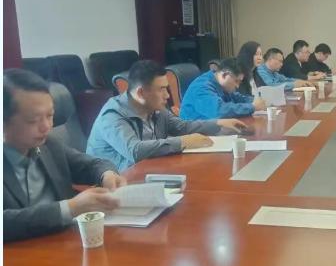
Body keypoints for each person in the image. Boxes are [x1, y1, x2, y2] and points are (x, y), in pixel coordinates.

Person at [3, 69, 128, 242]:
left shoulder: (49, 145)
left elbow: (91, 164)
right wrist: (69, 208)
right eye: (33, 120)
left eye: (50, 115)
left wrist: (106, 174)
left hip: (64, 243)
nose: (46, 126)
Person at [86, 60, 246, 171]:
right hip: (115, 182)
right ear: (141, 93)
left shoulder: (155, 107)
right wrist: (183, 142)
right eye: (161, 89)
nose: (167, 95)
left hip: (149, 171)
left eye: (166, 88)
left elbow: (182, 127)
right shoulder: (112, 115)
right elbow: (135, 151)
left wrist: (219, 123)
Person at [180, 57, 266, 120]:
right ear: (225, 75)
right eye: (236, 81)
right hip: (195, 133)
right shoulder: (202, 87)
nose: (237, 86)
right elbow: (219, 111)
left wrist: (254, 101)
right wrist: (252, 107)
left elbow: (236, 97)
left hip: (212, 128)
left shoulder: (220, 84)